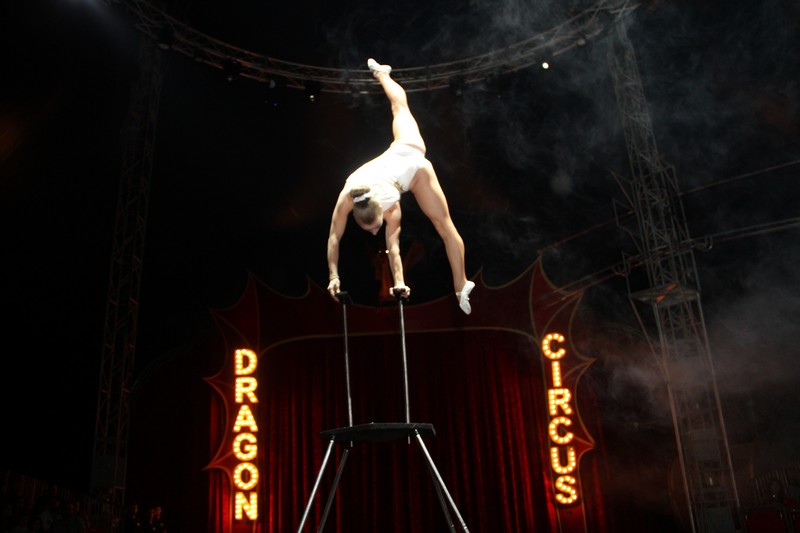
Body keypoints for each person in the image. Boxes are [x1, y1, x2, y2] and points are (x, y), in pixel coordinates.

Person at [327, 58, 475, 313]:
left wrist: (399, 281)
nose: (375, 232)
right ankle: (381, 74)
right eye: (371, 229)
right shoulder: (348, 195)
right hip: (406, 158)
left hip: (412, 162)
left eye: (375, 226)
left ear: (381, 210)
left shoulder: (391, 208)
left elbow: (393, 248)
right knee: (399, 109)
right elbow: (334, 237)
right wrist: (334, 275)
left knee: (444, 225)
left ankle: (461, 286)